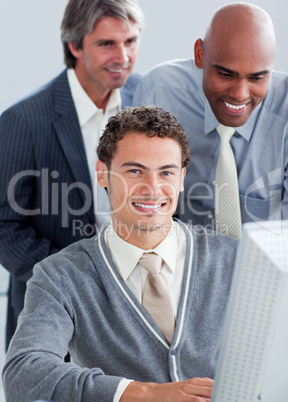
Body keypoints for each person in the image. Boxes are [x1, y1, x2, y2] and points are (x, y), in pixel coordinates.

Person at [2, 106, 238, 402]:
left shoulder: (234, 260)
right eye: (135, 171)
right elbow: (24, 374)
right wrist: (144, 393)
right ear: (103, 173)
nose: (152, 189)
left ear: (181, 178)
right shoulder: (59, 276)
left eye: (166, 172)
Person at [0, 0, 144, 350]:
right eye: (107, 43)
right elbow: (5, 226)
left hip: (140, 311)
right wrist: (77, 278)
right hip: (54, 315)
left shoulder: (148, 98)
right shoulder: (23, 121)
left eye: (131, 41)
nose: (123, 56)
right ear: (75, 45)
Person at [133, 3, 288, 236]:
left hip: (266, 265)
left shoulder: (284, 108)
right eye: (226, 74)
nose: (240, 94)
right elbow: (138, 201)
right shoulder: (159, 93)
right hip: (177, 255)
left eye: (257, 78)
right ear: (200, 55)